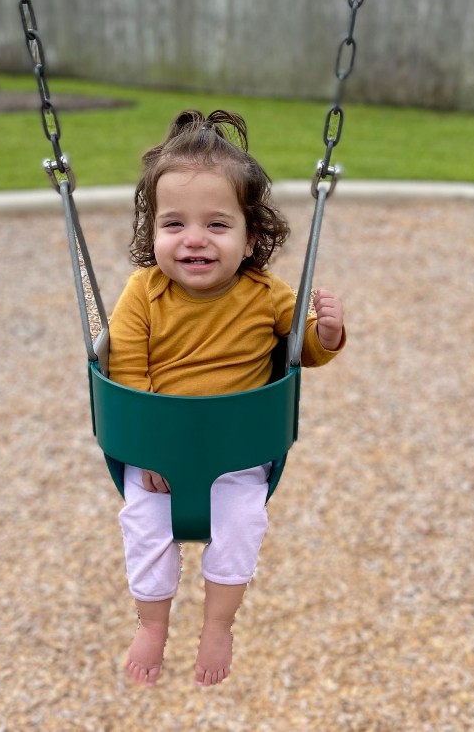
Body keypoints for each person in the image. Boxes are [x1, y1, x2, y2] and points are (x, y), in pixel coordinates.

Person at [109, 109, 345, 687]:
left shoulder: (267, 294)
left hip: (238, 456)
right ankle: (152, 623)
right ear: (152, 233)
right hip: (158, 453)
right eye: (174, 225)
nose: (194, 239)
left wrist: (327, 334)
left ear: (251, 237)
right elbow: (128, 368)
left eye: (216, 225)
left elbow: (302, 350)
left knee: (242, 523)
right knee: (143, 523)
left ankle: (219, 624)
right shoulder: (143, 292)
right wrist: (154, 450)